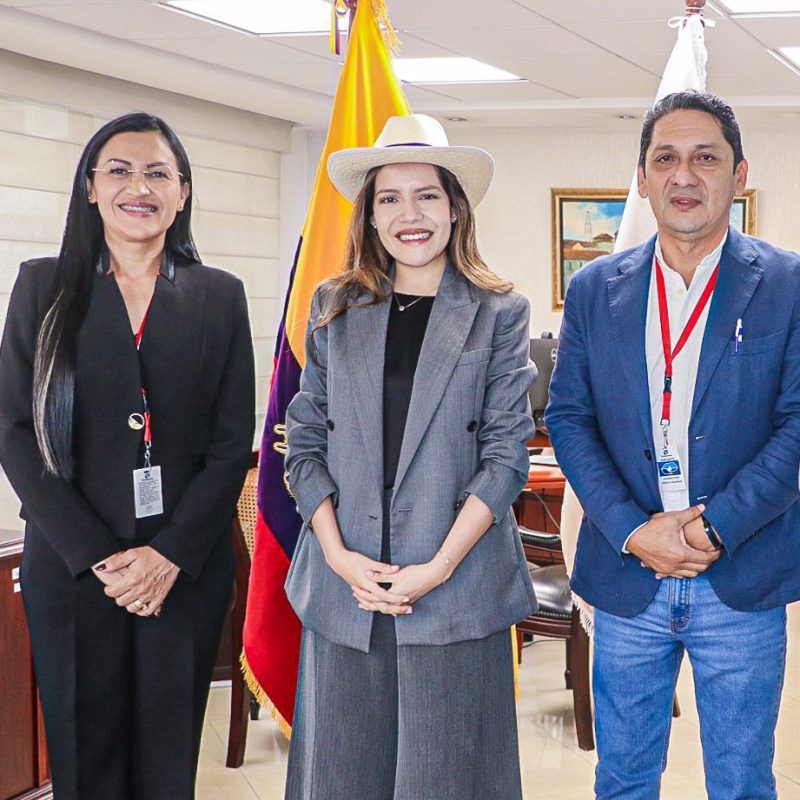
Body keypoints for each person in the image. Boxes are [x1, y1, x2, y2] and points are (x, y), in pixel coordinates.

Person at [546, 90, 800, 800]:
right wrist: (635, 531)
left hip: (741, 576)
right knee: (623, 780)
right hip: (628, 578)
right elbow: (569, 418)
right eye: (665, 159)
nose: (683, 176)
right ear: (642, 178)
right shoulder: (594, 289)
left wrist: (712, 529)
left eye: (705, 158)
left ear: (738, 174)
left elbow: (797, 425)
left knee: (742, 782)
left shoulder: (787, 284)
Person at [0, 112, 255, 799]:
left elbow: (232, 442)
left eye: (158, 173)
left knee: (168, 763)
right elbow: (15, 430)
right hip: (74, 567)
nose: (138, 187)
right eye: (118, 170)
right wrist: (98, 556)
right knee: (86, 763)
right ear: (90, 187)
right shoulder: (44, 287)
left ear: (183, 192)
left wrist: (168, 555)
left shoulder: (218, 296)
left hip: (184, 568)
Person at [282, 114, 537, 800]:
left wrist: (438, 567)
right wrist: (338, 556)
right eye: (389, 198)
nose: (409, 215)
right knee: (342, 778)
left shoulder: (499, 311)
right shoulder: (334, 306)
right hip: (347, 586)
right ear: (369, 214)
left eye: (427, 195)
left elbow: (505, 457)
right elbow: (304, 445)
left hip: (455, 584)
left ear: (455, 208)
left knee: (448, 779)